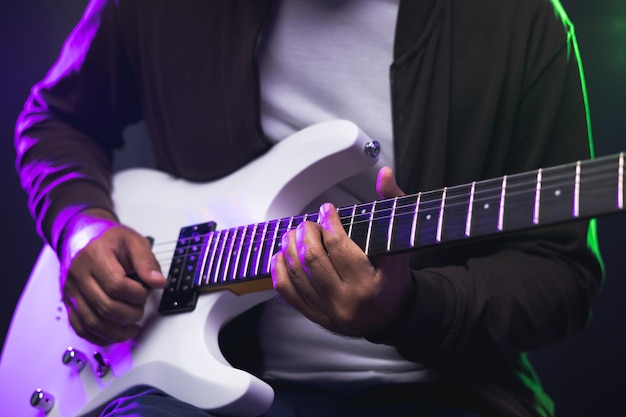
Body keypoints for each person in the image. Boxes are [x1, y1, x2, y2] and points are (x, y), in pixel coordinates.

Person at [14, 0, 604, 416]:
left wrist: (409, 307)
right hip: (186, 391)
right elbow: (55, 120)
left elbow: (559, 271)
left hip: (445, 392)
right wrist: (81, 228)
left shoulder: (519, 19)